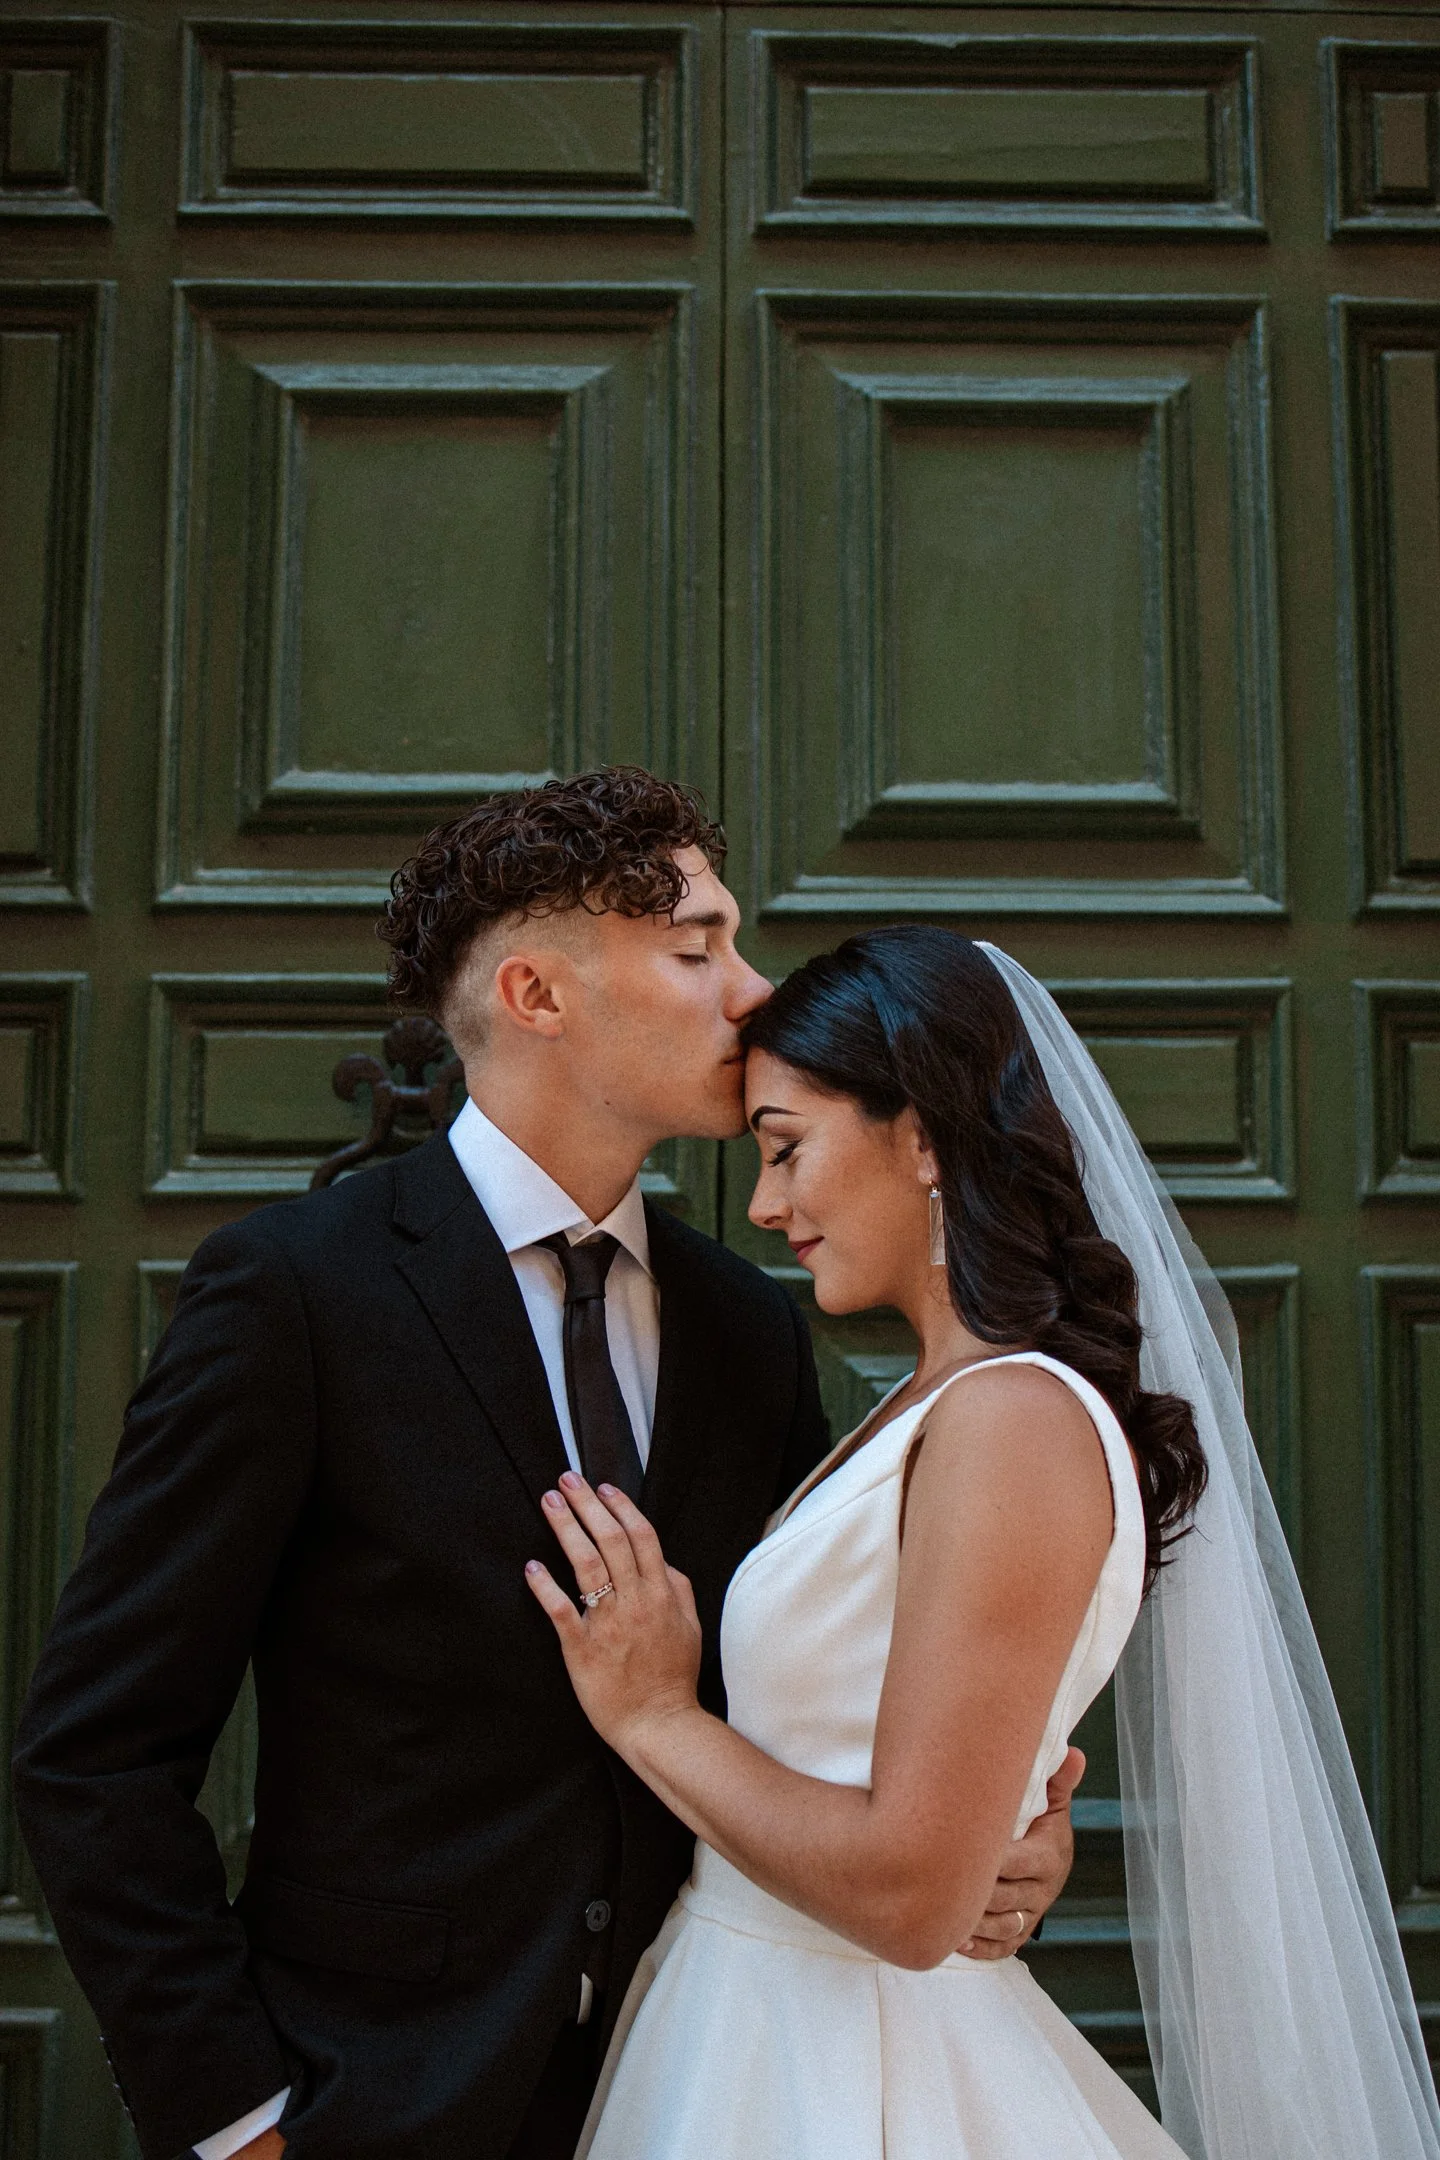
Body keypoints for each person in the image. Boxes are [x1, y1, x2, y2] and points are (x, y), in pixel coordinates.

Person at [11, 776, 1078, 2160]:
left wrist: (1011, 1828)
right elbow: (96, 1755)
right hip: (376, 2103)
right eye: (699, 951)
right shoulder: (294, 1296)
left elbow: (839, 1681)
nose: (752, 995)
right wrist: (239, 2122)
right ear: (536, 993)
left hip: (712, 2083)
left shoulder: (746, 1324)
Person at [525, 927, 1440, 2160]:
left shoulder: (1013, 1420)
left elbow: (910, 1898)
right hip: (750, 2026)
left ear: (921, 1136)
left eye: (789, 1148)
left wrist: (653, 1717)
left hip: (857, 2071)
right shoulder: (933, 1407)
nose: (764, 1204)